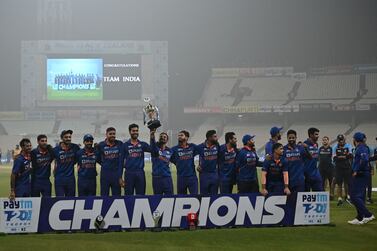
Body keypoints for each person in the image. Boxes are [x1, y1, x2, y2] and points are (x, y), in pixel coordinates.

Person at [347, 132, 375, 225]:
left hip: (361, 174)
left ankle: (368, 215)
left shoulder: (361, 148)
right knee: (361, 196)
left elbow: (364, 160)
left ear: (355, 139)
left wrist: (356, 170)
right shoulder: (361, 147)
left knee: (353, 196)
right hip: (363, 173)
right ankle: (360, 217)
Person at [122, 124, 151, 195]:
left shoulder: (143, 144)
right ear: (130, 132)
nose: (135, 132)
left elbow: (154, 150)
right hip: (129, 173)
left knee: (141, 196)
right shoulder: (125, 145)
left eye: (137, 131)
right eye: (133, 131)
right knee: (128, 196)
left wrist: (152, 136)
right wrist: (120, 177)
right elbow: (120, 162)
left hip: (140, 173)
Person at [96, 127, 123, 196]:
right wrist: (104, 164)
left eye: (114, 134)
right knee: (104, 196)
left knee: (117, 196)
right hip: (105, 174)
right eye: (110, 134)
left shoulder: (120, 144)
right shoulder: (101, 145)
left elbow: (122, 158)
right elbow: (97, 158)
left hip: (116, 174)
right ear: (106, 134)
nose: (112, 135)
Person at [170, 130, 199, 195]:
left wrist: (200, 164)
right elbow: (169, 158)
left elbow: (202, 153)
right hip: (181, 178)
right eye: (179, 135)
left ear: (186, 137)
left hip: (192, 177)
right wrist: (176, 162)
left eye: (181, 135)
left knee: (195, 197)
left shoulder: (192, 146)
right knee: (181, 198)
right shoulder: (174, 149)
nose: (179, 137)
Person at [52, 130, 80, 197]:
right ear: (62, 138)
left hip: (70, 180)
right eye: (66, 137)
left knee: (71, 201)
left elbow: (81, 156)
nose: (68, 139)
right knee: (59, 200)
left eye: (70, 137)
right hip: (59, 179)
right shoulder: (55, 150)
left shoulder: (75, 147)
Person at [150, 129, 174, 195]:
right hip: (156, 178)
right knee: (157, 199)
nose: (162, 138)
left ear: (167, 140)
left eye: (164, 137)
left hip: (167, 178)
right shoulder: (155, 149)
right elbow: (152, 143)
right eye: (161, 136)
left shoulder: (170, 151)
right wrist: (152, 135)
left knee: (170, 199)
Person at [196, 130, 220, 195]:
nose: (216, 138)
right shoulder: (200, 147)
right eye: (215, 137)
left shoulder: (217, 145)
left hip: (214, 174)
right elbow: (190, 156)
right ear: (209, 138)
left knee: (214, 196)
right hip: (204, 174)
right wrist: (197, 166)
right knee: (204, 196)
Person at [333, 134, 353, 206]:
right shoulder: (335, 147)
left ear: (344, 140)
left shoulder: (348, 146)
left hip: (347, 166)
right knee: (339, 184)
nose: (341, 142)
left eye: (342, 140)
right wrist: (344, 156)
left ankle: (347, 197)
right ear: (338, 140)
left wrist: (340, 156)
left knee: (347, 183)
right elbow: (334, 158)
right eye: (340, 140)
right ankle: (340, 198)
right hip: (338, 167)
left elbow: (350, 155)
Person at [303, 127, 323, 191]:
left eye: (318, 134)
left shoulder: (316, 145)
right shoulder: (304, 145)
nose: (318, 136)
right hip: (307, 175)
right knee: (306, 196)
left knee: (319, 193)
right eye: (316, 134)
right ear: (311, 135)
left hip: (316, 174)